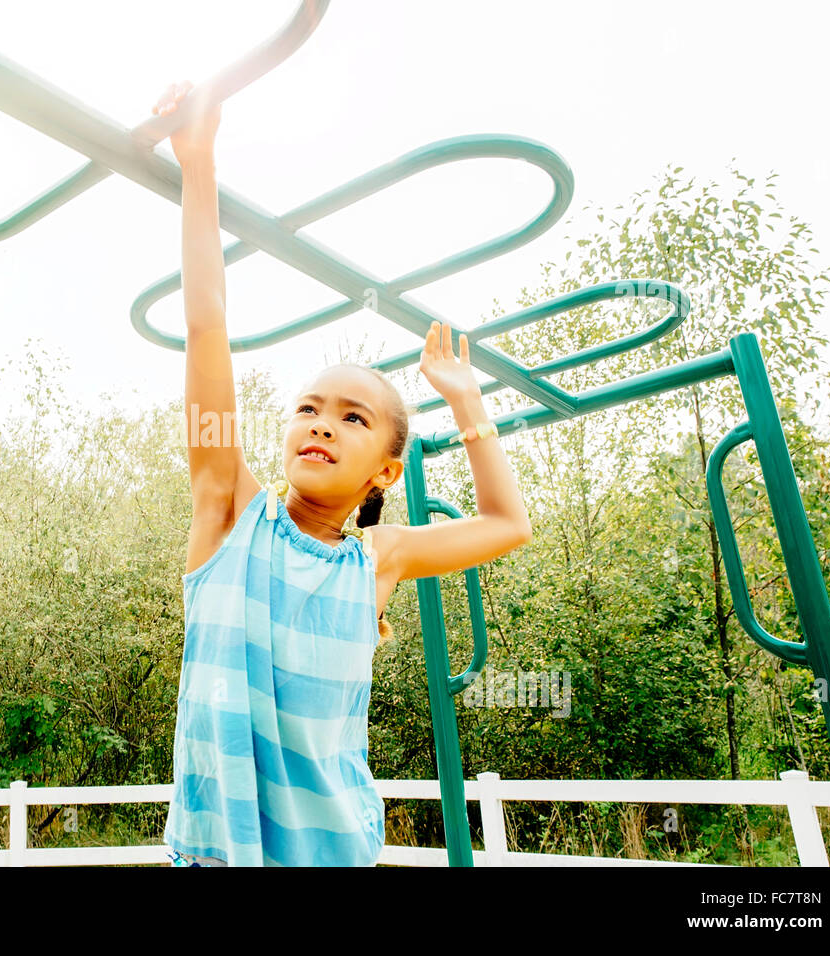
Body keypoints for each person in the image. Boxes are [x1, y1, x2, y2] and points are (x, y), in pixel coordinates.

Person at [154, 80, 533, 866]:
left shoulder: (378, 559)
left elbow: (509, 525)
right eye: (309, 408)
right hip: (213, 853)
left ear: (386, 470)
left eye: (353, 418)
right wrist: (198, 161)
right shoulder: (227, 506)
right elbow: (206, 322)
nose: (323, 421)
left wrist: (468, 404)